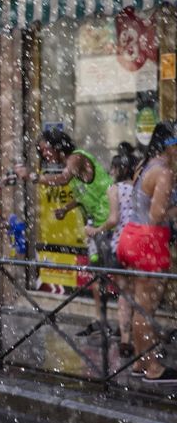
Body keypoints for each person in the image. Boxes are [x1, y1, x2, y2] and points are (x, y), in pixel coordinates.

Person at [16, 130, 113, 333]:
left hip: (110, 224)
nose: (45, 154)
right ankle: (102, 321)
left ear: (58, 145)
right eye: (41, 151)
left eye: (46, 149)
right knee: (98, 276)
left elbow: (62, 179)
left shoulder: (76, 158)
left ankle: (128, 327)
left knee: (117, 276)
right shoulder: (73, 164)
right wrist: (65, 209)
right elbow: (82, 195)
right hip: (96, 227)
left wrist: (32, 176)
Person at [116, 122, 177, 384]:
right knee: (146, 306)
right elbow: (156, 214)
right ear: (171, 145)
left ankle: (141, 362)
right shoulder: (164, 172)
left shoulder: (144, 165)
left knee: (141, 303)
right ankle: (152, 367)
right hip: (149, 240)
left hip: (133, 236)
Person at [84, 153, 137, 358]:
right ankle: (144, 342)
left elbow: (114, 219)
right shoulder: (139, 189)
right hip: (140, 245)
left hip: (121, 247)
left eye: (113, 169)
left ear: (117, 169)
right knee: (140, 296)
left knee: (124, 296)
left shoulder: (114, 189)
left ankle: (126, 340)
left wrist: (97, 230)